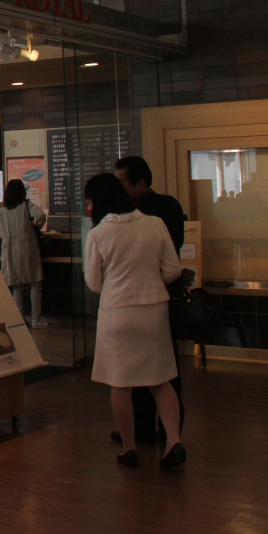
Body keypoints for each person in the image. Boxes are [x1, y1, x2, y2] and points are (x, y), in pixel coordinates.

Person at [83, 173, 185, 471]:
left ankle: (129, 448)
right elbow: (173, 269)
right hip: (153, 310)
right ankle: (174, 441)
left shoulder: (99, 234)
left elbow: (93, 283)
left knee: (120, 384)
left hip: (117, 312)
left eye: (89, 200)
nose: (88, 206)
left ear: (98, 201)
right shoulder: (154, 224)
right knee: (161, 380)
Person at [114, 155, 189, 445]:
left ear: (140, 182)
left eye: (122, 182)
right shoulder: (168, 206)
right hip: (162, 296)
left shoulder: (146, 214)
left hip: (147, 299)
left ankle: (146, 429)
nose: (119, 189)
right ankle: (166, 431)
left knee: (144, 368)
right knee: (163, 367)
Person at [0, 180, 47, 328]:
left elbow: (1, 230)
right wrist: (36, 227)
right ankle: (36, 319)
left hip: (9, 250)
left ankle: (19, 318)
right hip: (27, 248)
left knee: (16, 284)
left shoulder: (2, 210)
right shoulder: (26, 205)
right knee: (34, 282)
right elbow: (41, 215)